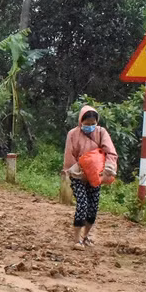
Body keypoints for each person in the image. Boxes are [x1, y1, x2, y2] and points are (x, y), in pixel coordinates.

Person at [63, 105, 117, 250]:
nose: (90, 127)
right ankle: (76, 239)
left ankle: (85, 236)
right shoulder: (72, 134)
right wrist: (78, 171)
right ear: (81, 122)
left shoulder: (101, 133)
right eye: (87, 124)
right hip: (78, 176)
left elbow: (110, 152)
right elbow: (69, 157)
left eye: (93, 124)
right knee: (82, 205)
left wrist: (108, 170)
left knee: (93, 208)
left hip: (96, 176)